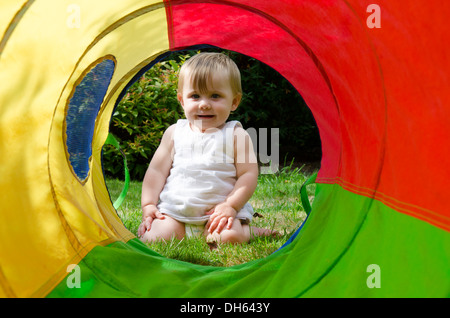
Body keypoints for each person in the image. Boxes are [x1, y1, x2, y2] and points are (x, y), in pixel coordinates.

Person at [138, 52, 274, 244]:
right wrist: (149, 204)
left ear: (234, 101)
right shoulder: (175, 132)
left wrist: (231, 206)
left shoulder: (236, 135)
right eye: (195, 96)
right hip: (176, 212)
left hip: (220, 214)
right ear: (182, 100)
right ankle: (182, 230)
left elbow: (248, 175)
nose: (204, 104)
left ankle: (248, 231)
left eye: (215, 96)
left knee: (229, 237)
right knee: (152, 238)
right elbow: (156, 171)